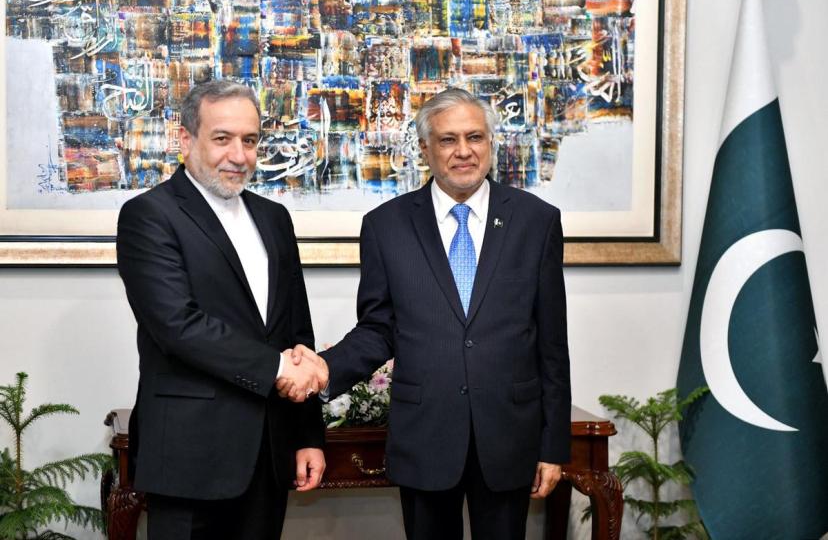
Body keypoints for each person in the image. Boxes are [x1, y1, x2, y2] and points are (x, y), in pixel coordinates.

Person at [281, 87, 571, 539]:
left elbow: (552, 343)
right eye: (448, 139)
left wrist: (552, 446)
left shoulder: (537, 220)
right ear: (424, 148)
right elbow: (379, 329)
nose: (463, 151)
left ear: (490, 142)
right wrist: (323, 368)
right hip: (426, 436)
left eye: (474, 137)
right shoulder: (385, 225)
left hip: (510, 437)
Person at [116, 79, 326, 540]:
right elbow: (177, 325)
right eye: (222, 138)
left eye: (249, 140)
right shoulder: (149, 215)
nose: (239, 155)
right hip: (189, 456)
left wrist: (307, 434)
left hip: (269, 453)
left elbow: (296, 331)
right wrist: (278, 368)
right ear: (186, 139)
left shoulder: (274, 218)